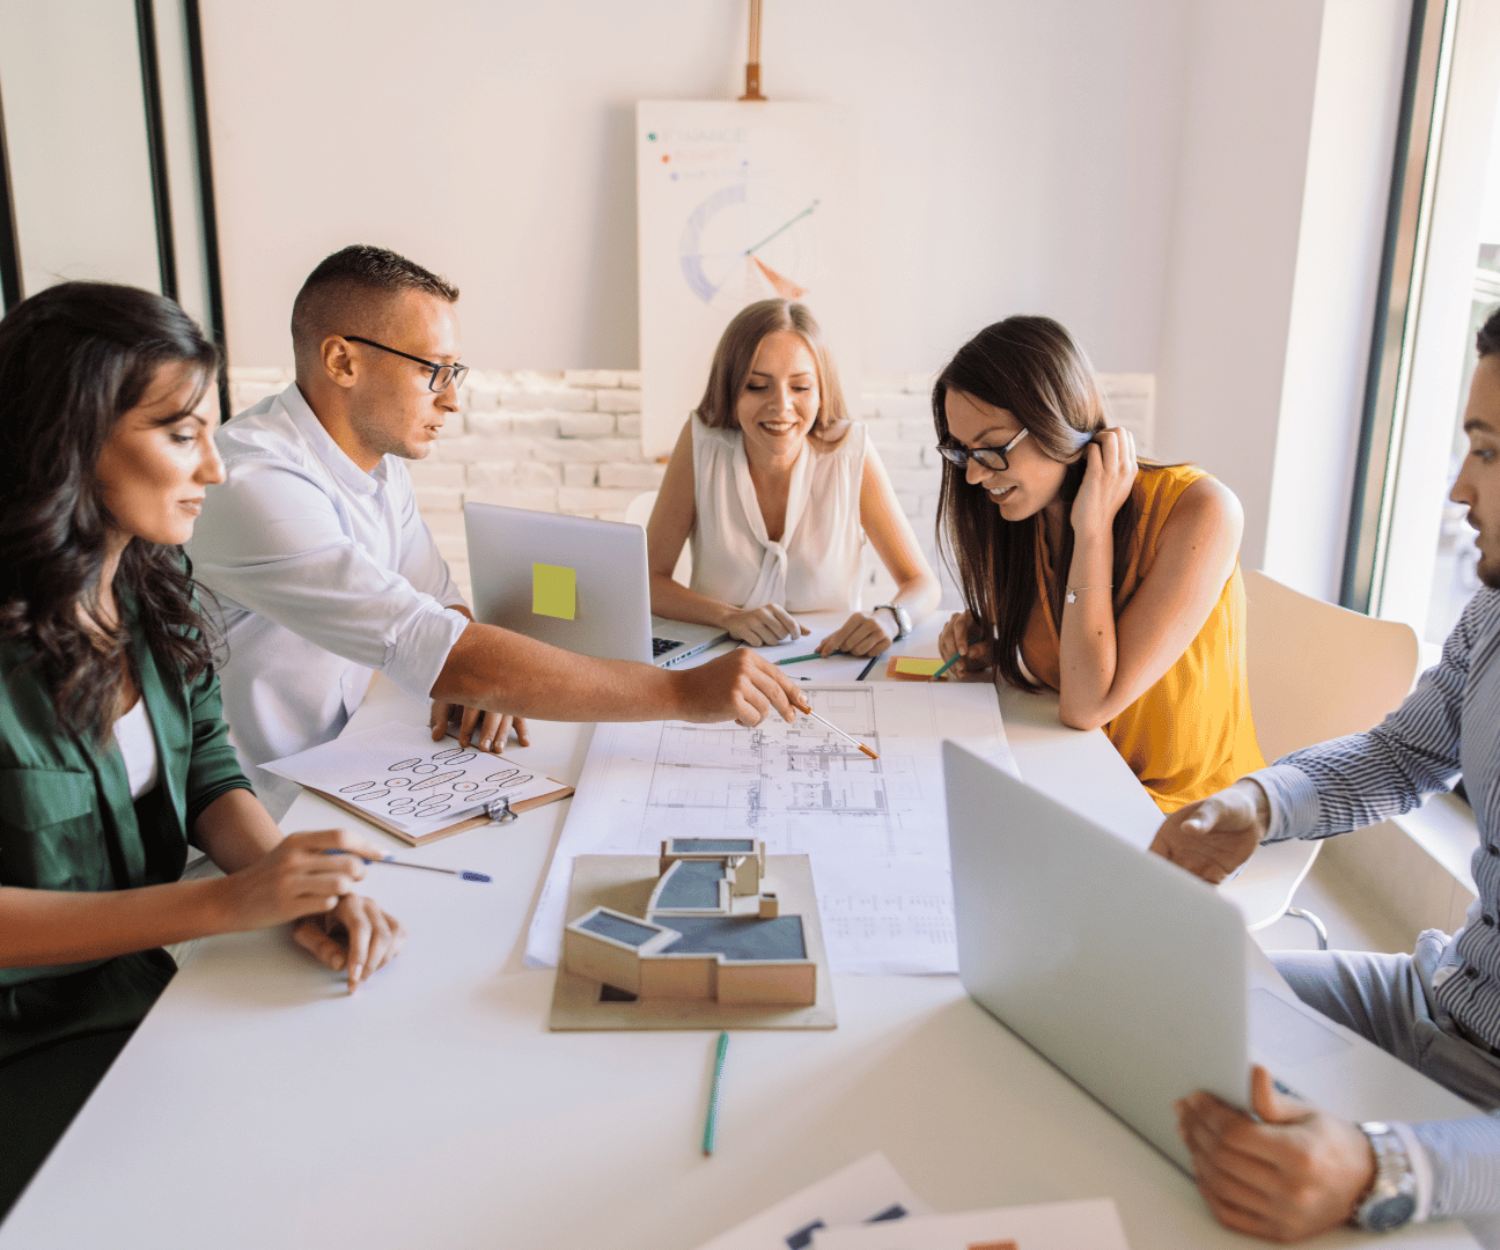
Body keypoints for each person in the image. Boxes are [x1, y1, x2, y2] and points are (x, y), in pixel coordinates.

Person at [0, 282, 405, 1219]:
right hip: (26, 1045)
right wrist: (223, 903)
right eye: (181, 434)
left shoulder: (151, 577)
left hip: (140, 1001)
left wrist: (297, 885)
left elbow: (208, 767)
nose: (215, 470)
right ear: (70, 438)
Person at [189, 247, 804, 818]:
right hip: (257, 815)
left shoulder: (379, 467)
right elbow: (441, 642)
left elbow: (442, 602)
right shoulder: (255, 484)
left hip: (346, 769)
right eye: (435, 370)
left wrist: (471, 678)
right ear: (342, 361)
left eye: (458, 372)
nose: (453, 400)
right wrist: (682, 695)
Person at [1149, 307, 1500, 1241]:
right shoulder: (1494, 613)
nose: (1461, 488)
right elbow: (1401, 753)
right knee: (1152, 1009)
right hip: (1431, 1001)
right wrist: (1256, 803)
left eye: (1492, 453)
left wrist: (1386, 1166)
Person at [931, 315, 1262, 812]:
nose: (975, 475)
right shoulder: (1025, 516)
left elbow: (1087, 705)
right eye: (962, 451)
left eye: (992, 448)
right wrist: (986, 640)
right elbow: (1056, 663)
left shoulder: (1203, 512)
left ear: (1055, 418)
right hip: (1075, 779)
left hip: (1184, 815)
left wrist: (1092, 531)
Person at [647, 299, 940, 656]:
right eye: (757, 386)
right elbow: (648, 581)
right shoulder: (701, 442)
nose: (781, 406)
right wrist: (729, 617)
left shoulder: (850, 453)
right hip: (720, 666)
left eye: (800, 387)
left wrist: (891, 618)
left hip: (829, 663)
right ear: (730, 387)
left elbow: (922, 584)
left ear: (821, 391)